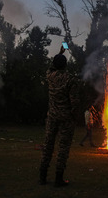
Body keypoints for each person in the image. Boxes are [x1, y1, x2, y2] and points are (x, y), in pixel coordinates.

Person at [39, 47, 80, 187]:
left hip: (52, 117)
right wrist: (75, 117)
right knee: (63, 147)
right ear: (66, 65)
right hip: (66, 118)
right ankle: (58, 178)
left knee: (48, 145)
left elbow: (50, 67)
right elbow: (74, 102)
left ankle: (42, 176)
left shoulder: (50, 76)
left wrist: (60, 53)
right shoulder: (70, 79)